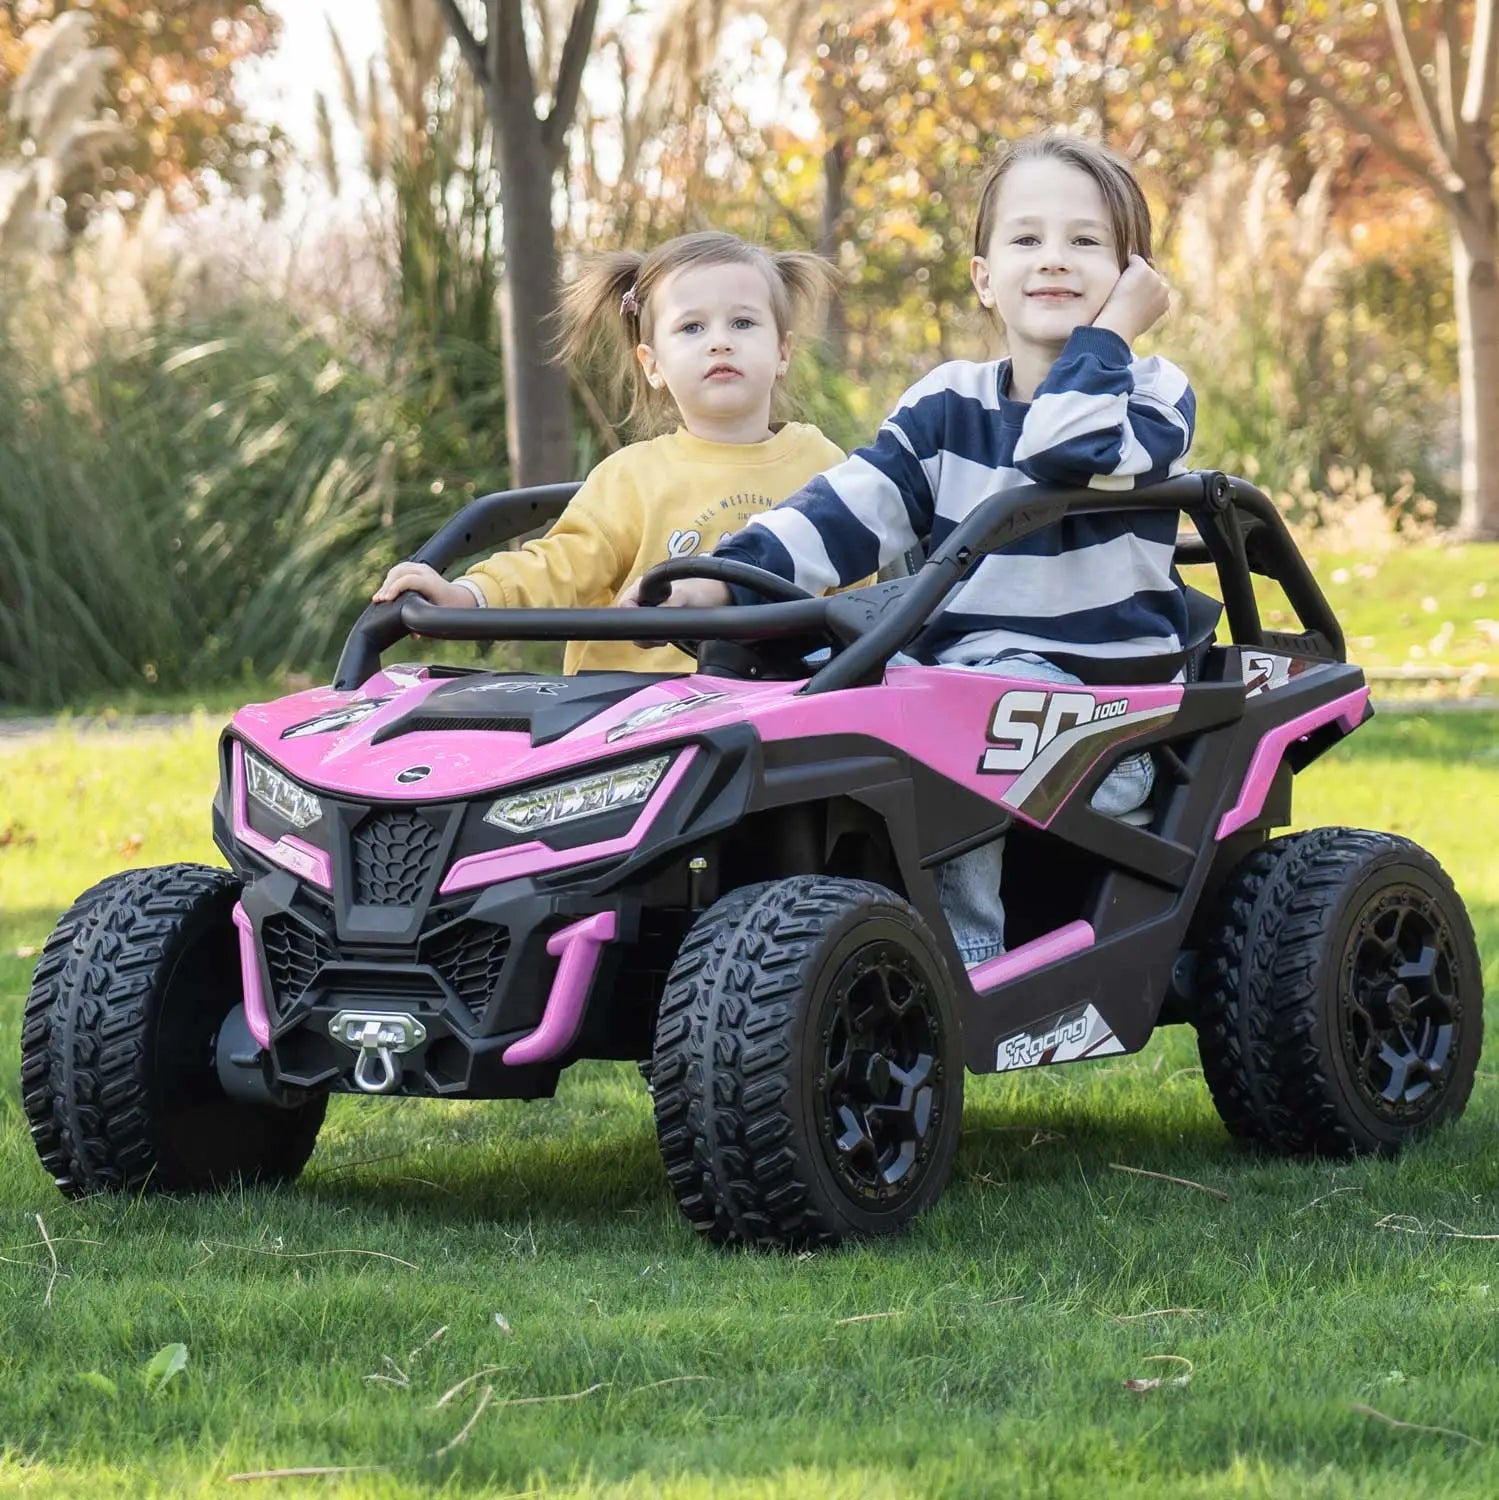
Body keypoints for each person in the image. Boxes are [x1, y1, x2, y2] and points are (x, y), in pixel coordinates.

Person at [622, 134, 1195, 963]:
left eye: (1086, 242)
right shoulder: (947, 401)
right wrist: (723, 584)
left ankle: (958, 967)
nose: (1053, 261)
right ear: (982, 276)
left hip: (1108, 726)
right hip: (951, 695)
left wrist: (1108, 337)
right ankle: (768, 949)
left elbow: (1062, 450)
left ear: (1132, 277)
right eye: (1025, 239)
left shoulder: (1150, 392)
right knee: (804, 694)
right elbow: (848, 507)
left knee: (962, 722)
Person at [373, 230, 845, 674]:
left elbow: (858, 594)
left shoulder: (822, 465)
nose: (720, 340)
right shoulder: (633, 478)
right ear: (652, 363)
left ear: (783, 352)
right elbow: (559, 567)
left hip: (787, 706)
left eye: (742, 322)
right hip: (637, 720)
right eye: (692, 327)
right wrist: (468, 595)